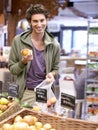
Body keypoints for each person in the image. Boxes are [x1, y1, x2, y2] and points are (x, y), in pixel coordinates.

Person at [8, 4, 60, 106]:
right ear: (30, 22)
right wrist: (23, 61)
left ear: (46, 20)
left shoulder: (54, 45)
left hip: (45, 92)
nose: (39, 24)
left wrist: (52, 74)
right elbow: (12, 69)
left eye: (42, 20)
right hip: (27, 92)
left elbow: (56, 69)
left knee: (46, 121)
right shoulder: (18, 41)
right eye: (35, 21)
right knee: (26, 121)